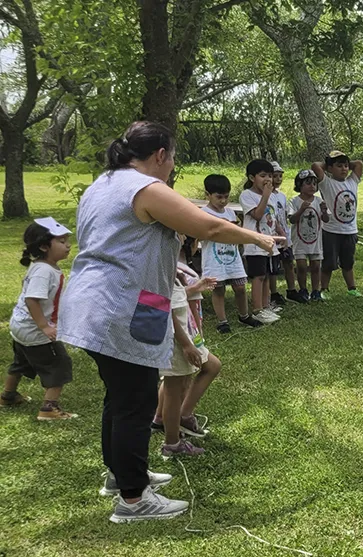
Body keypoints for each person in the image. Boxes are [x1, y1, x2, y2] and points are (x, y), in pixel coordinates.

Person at [57, 121, 279, 523]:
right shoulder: (144, 187)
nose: (172, 164)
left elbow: (126, 240)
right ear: (161, 155)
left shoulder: (104, 183)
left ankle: (123, 475)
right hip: (120, 305)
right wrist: (257, 238)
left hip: (106, 302)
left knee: (121, 397)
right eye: (173, 157)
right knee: (136, 402)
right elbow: (208, 225)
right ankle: (133, 499)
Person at [2, 218, 77, 420]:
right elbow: (32, 299)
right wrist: (44, 326)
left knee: (21, 361)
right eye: (61, 241)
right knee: (59, 364)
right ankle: (49, 409)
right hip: (35, 330)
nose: (68, 245)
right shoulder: (44, 272)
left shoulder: (42, 266)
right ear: (44, 246)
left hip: (21, 326)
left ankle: (8, 395)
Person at [156, 264, 221, 457]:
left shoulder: (171, 270)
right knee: (174, 389)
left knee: (211, 366)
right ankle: (172, 443)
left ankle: (182, 418)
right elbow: (165, 310)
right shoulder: (159, 269)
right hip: (177, 341)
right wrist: (185, 344)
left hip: (188, 335)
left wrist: (193, 287)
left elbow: (177, 299)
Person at [200, 174, 262, 333]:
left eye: (226, 197)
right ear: (208, 195)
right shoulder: (203, 213)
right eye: (219, 197)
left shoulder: (230, 212)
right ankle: (222, 321)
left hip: (232, 256)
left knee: (240, 286)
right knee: (218, 289)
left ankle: (244, 315)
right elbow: (201, 234)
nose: (223, 201)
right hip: (214, 257)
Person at [312, 150, 363, 298]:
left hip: (350, 230)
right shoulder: (327, 183)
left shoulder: (352, 181)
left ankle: (352, 288)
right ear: (330, 168)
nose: (344, 169)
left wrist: (343, 162)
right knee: (328, 263)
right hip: (331, 231)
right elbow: (315, 166)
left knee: (348, 262)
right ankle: (324, 289)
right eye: (339, 166)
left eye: (346, 166)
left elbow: (359, 164)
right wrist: (329, 164)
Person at [240, 159, 283, 323]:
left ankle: (265, 306)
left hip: (269, 243)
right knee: (258, 276)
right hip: (255, 244)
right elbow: (257, 215)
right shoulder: (247, 195)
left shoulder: (270, 195)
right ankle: (257, 309)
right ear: (252, 178)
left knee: (266, 275)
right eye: (263, 175)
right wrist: (265, 195)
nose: (268, 179)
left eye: (270, 176)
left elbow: (272, 217)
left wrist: (280, 232)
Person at [289, 169, 330, 302]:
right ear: (299, 185)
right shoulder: (294, 201)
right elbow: (292, 219)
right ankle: (303, 289)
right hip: (299, 240)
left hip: (315, 240)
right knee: (301, 266)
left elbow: (326, 219)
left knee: (316, 266)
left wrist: (324, 211)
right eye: (308, 183)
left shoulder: (319, 201)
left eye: (314, 183)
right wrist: (301, 209)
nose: (312, 186)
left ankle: (316, 291)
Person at [268, 161, 302, 304]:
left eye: (280, 176)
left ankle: (291, 290)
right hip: (273, 235)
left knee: (288, 262)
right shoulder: (265, 196)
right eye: (274, 176)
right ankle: (273, 293)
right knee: (273, 267)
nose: (278, 179)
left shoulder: (281, 196)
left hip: (285, 234)